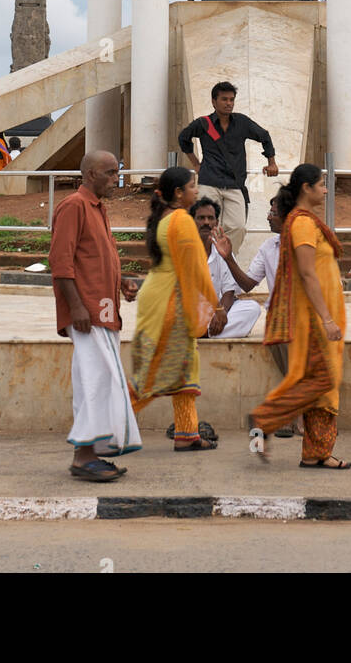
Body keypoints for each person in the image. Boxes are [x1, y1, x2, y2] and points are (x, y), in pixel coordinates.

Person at [248, 163, 350, 469]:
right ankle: (261, 421)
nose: (325, 189)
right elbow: (306, 273)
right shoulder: (303, 224)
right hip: (313, 322)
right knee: (318, 382)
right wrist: (326, 319)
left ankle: (316, 453)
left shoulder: (305, 222)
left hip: (319, 319)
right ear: (306, 188)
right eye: (320, 184)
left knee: (323, 386)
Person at [49, 150, 141, 483]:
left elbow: (97, 260)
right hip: (88, 312)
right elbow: (61, 262)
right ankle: (82, 456)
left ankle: (93, 451)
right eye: (110, 173)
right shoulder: (74, 206)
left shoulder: (97, 209)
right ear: (90, 175)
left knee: (103, 381)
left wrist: (122, 284)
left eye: (116, 172)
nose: (116, 178)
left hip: (102, 309)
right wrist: (75, 307)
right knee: (93, 381)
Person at [129, 166, 219, 450]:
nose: (197, 191)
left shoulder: (167, 218)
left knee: (184, 367)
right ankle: (107, 427)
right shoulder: (181, 220)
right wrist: (214, 304)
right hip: (169, 301)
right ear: (179, 193)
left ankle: (187, 434)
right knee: (157, 371)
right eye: (193, 186)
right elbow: (196, 269)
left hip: (163, 295)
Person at [212, 192, 302, 437]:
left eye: (273, 213)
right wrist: (228, 257)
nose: (268, 217)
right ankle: (287, 416)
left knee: (296, 363)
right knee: (292, 363)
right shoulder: (268, 246)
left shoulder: (304, 245)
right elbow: (249, 283)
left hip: (302, 317)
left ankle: (284, 416)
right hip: (278, 319)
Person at [178, 80, 278, 255]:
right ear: (214, 101)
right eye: (224, 99)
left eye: (231, 99)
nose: (229, 103)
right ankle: (206, 261)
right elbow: (183, 138)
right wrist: (195, 163)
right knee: (205, 225)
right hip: (209, 181)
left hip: (234, 184)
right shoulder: (203, 124)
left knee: (238, 226)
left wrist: (272, 162)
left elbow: (264, 136)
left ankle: (226, 259)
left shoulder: (242, 122)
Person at [190, 198, 262, 337]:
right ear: (192, 221)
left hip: (214, 312)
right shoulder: (184, 250)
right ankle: (210, 331)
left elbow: (229, 292)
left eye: (210, 218)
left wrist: (220, 313)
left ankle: (205, 332)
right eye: (201, 218)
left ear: (216, 223)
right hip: (190, 311)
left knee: (252, 308)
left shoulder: (222, 250)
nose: (206, 222)